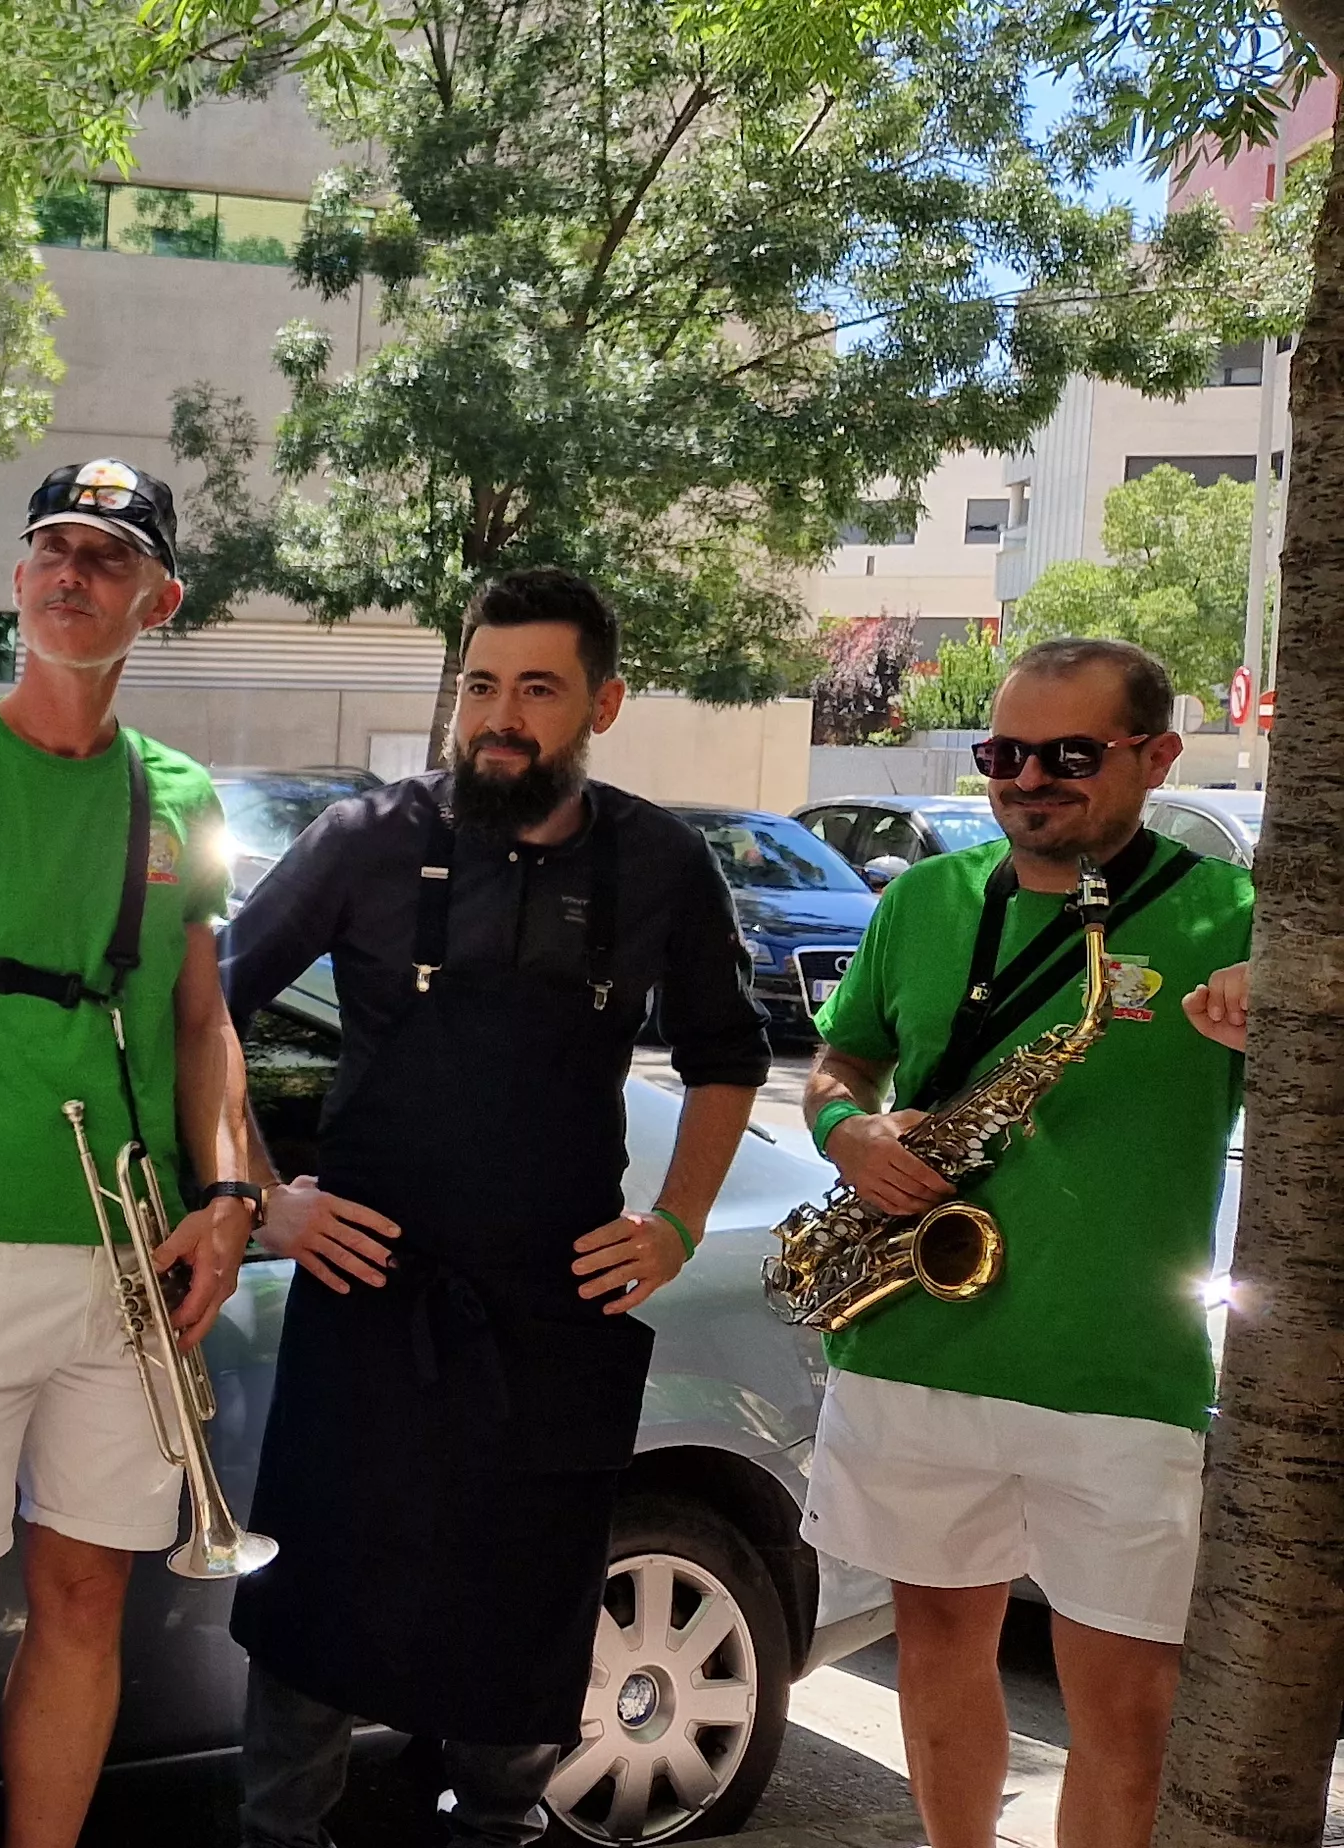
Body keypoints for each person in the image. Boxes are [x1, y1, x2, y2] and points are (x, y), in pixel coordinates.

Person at [217, 569, 769, 1846]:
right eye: (479, 685)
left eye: (535, 689)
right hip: (366, 1304)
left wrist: (675, 1225)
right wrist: (265, 1195)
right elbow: (209, 1010)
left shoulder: (660, 863)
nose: (499, 717)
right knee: (307, 1644)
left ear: (604, 704)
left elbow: (725, 1059)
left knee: (517, 1661)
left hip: (550, 1318)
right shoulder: (361, 840)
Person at [0, 458, 259, 1848]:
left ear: (159, 597)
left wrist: (231, 1196)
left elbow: (205, 1022)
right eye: (52, 550)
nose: (73, 574)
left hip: (128, 1268)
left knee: (85, 1604)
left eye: (108, 556)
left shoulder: (182, 795)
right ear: (18, 580)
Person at [803, 637, 1252, 1848]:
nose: (1026, 779)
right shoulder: (924, 900)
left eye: (1068, 754)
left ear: (1156, 757)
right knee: (937, 1654)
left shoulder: (1233, 918)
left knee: (1128, 1708)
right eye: (1004, 753)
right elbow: (840, 1065)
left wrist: (1276, 1022)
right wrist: (849, 1131)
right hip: (914, 1350)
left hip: (1117, 1373)